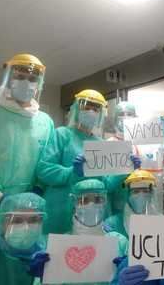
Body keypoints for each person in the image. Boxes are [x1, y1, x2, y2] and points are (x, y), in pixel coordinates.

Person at [0, 54, 54, 242]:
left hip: (29, 211)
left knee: (22, 263)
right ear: (8, 79)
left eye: (32, 79)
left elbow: (48, 162)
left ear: (39, 83)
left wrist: (37, 190)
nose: (26, 82)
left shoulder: (45, 122)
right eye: (19, 77)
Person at [36, 89, 126, 234]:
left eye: (96, 108)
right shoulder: (62, 134)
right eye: (86, 106)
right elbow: (44, 170)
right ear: (76, 109)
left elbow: (106, 185)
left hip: (92, 211)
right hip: (60, 206)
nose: (91, 111)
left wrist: (124, 170)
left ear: (101, 114)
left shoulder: (102, 144)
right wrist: (72, 172)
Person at [28, 179, 128, 285]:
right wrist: (45, 278)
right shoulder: (58, 247)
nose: (91, 205)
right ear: (73, 202)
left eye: (97, 199)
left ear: (105, 201)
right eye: (84, 200)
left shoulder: (118, 242)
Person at [106, 100, 164, 217]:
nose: (125, 117)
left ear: (136, 117)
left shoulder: (148, 143)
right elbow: (106, 183)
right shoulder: (108, 145)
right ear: (114, 119)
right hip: (119, 206)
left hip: (150, 204)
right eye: (121, 114)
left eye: (129, 114)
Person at [0, 192, 47, 285]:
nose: (26, 227)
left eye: (33, 220)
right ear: (3, 223)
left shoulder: (47, 255)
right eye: (17, 221)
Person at [104, 169, 161, 237]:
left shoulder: (161, 221)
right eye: (136, 191)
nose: (141, 195)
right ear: (127, 194)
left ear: (152, 193)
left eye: (145, 191)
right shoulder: (114, 223)